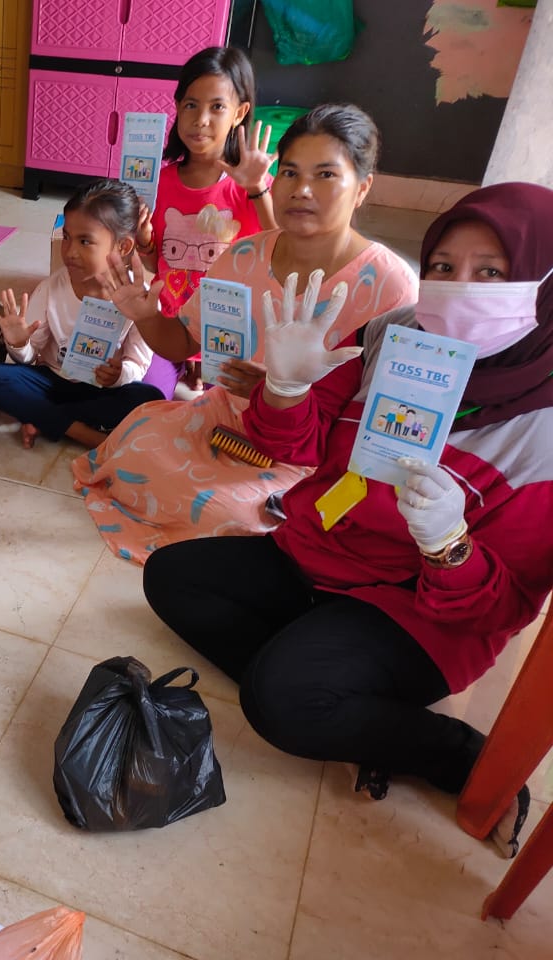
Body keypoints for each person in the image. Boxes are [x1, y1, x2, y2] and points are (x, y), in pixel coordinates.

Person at [141, 182, 553, 857]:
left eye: (492, 273)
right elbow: (293, 448)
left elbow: (501, 610)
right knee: (171, 576)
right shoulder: (397, 335)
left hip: (417, 611)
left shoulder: (546, 432)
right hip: (318, 555)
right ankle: (351, 710)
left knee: (280, 702)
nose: (459, 289)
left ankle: (449, 752)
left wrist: (451, 545)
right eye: (445, 267)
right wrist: (287, 386)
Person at [73, 104, 418, 562]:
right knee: (136, 441)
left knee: (234, 516)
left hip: (308, 451)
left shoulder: (392, 287)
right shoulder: (245, 256)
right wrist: (146, 316)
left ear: (363, 188)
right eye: (291, 172)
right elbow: (183, 342)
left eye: (326, 175)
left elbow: (384, 428)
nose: (302, 190)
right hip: (226, 420)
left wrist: (284, 394)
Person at [0, 179, 163, 449]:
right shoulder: (52, 287)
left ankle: (46, 418)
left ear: (123, 247)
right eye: (67, 237)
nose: (70, 252)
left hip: (103, 390)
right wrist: (18, 344)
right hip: (53, 381)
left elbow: (138, 365)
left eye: (85, 241)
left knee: (150, 399)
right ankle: (84, 433)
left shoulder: (141, 299)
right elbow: (31, 357)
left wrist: (118, 375)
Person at [137, 46, 277, 398]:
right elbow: (158, 265)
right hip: (170, 325)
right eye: (190, 105)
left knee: (235, 411)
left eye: (217, 107)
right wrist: (142, 241)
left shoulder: (252, 186)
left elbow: (282, 251)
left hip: (229, 334)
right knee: (142, 400)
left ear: (239, 113)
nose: (201, 119)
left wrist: (258, 189)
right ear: (177, 107)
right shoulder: (160, 182)